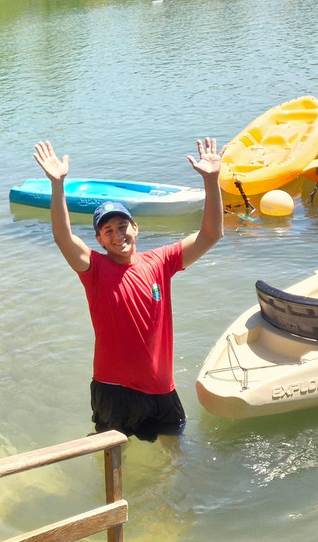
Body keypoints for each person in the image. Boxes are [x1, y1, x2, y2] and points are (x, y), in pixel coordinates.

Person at [32, 138, 224, 441]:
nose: (117, 234)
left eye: (122, 226)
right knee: (111, 459)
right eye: (108, 231)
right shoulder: (93, 269)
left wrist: (212, 181)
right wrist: (58, 185)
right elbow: (63, 236)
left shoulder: (161, 261)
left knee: (175, 458)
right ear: (99, 240)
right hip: (113, 390)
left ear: (135, 228)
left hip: (161, 387)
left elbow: (212, 234)